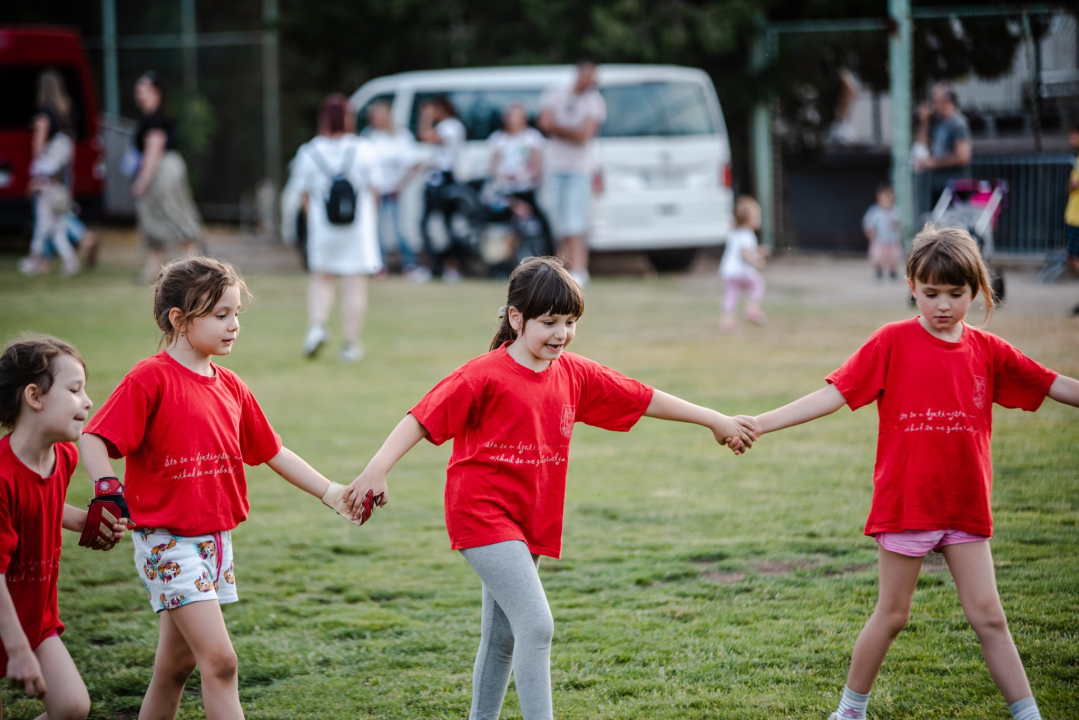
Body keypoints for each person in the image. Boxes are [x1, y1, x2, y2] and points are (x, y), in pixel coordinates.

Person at [341, 256, 756, 719]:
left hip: (528, 518)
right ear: (516, 318)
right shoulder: (482, 374)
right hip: (481, 514)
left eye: (570, 322)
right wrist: (376, 469)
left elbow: (642, 397)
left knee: (503, 638)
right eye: (550, 322)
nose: (561, 333)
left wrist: (714, 420)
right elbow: (421, 418)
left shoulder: (574, 374)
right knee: (537, 626)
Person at [734, 225, 1079, 720]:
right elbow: (833, 395)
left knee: (990, 617)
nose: (943, 305)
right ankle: (849, 712)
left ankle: (1028, 715)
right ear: (911, 285)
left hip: (964, 505)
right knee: (893, 615)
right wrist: (760, 424)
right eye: (931, 293)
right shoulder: (891, 341)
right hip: (906, 504)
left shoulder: (987, 349)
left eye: (956, 293)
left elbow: (1051, 383)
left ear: (977, 289)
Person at [79, 256, 360, 720]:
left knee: (175, 666)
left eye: (236, 314)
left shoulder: (230, 385)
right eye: (220, 315)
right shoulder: (150, 378)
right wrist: (107, 486)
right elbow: (94, 437)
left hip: (215, 541)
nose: (234, 325)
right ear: (179, 320)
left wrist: (330, 492)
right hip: (166, 542)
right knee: (221, 662)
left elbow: (272, 450)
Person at [0, 336, 130, 720]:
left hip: (35, 615)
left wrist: (90, 524)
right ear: (34, 397)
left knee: (72, 707)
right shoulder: (2, 477)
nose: (88, 401)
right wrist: (17, 651)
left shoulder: (64, 457)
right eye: (74, 390)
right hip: (5, 611)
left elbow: (44, 506)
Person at [291, 94, 383, 363]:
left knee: (322, 278)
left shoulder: (309, 151)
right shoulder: (363, 149)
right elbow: (375, 188)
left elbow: (303, 193)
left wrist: (313, 220)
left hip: (323, 227)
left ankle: (317, 326)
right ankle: (349, 345)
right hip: (358, 227)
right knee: (354, 284)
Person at [130, 72, 204, 285]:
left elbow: (154, 148)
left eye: (143, 88)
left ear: (156, 92)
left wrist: (143, 180)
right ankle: (152, 269)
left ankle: (196, 266)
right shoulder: (150, 117)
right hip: (160, 168)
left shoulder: (156, 118)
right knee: (153, 219)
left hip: (162, 170)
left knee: (173, 213)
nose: (138, 92)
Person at [538, 60, 606, 287]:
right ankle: (561, 271)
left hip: (579, 169)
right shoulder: (556, 93)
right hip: (555, 167)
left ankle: (579, 270)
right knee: (559, 223)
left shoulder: (595, 101)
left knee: (576, 222)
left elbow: (584, 135)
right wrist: (572, 131)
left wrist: (558, 128)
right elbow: (544, 123)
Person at [487, 103, 554, 258]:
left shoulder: (532, 137)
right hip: (505, 193)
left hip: (526, 190)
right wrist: (503, 176)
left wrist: (523, 176)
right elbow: (493, 167)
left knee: (536, 226)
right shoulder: (498, 138)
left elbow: (537, 166)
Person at [363, 100, 421, 276]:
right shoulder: (369, 136)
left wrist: (400, 184)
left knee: (398, 229)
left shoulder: (400, 136)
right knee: (376, 229)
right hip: (375, 192)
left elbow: (414, 163)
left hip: (393, 191)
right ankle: (379, 266)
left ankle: (408, 264)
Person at [417, 96, 468, 282]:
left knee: (446, 224)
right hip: (435, 178)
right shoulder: (445, 126)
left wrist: (425, 118)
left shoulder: (451, 126)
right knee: (428, 224)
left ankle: (450, 266)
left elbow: (426, 136)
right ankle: (432, 265)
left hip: (445, 179)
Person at [914, 83, 973, 205]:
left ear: (947, 99)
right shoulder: (937, 123)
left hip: (955, 188)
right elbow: (921, 145)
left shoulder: (958, 124)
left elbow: (963, 157)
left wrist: (934, 163)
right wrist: (924, 122)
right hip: (938, 186)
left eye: (935, 101)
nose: (933, 105)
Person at [719, 195, 769, 332]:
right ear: (749, 219)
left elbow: (742, 250)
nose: (759, 219)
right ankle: (752, 309)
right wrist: (757, 261)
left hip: (728, 272)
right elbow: (744, 253)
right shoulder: (747, 234)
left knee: (731, 295)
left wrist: (758, 251)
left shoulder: (735, 233)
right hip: (741, 272)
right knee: (757, 283)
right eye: (757, 216)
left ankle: (727, 321)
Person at [862, 183, 903, 281]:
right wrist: (870, 233)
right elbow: (867, 223)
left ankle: (893, 272)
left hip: (892, 240)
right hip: (879, 240)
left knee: (893, 258)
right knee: (878, 258)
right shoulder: (875, 212)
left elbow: (900, 224)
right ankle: (878, 272)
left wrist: (895, 225)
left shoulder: (895, 212)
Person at [1065, 122, 1079, 316]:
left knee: (1073, 258)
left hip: (1077, 217)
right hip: (1073, 216)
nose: (1071, 140)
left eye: (1073, 135)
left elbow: (1072, 185)